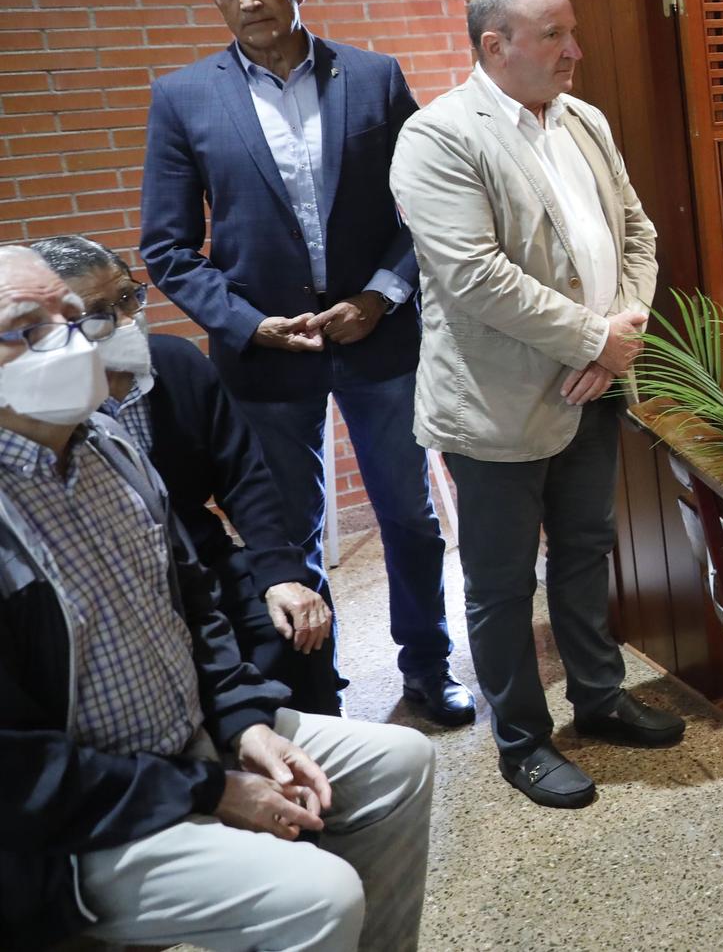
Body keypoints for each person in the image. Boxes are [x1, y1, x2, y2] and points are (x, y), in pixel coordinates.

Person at [0, 246, 435, 951]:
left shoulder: (108, 442)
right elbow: (21, 778)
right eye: (27, 328)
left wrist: (241, 722)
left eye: (75, 318)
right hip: (80, 823)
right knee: (317, 898)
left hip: (192, 741)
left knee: (400, 760)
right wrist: (211, 790)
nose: (76, 341)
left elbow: (192, 598)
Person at [139, 0, 470, 725]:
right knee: (288, 531)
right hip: (266, 355)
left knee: (410, 514)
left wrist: (381, 295)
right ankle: (320, 692)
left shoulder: (373, 76)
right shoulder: (184, 98)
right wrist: (250, 324)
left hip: (379, 338)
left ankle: (427, 665)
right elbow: (169, 247)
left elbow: (426, 207)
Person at [390, 0, 678, 808]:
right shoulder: (437, 136)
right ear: (495, 46)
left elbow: (637, 233)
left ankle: (599, 695)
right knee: (503, 580)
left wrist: (620, 335)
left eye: (571, 30)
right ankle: (522, 739)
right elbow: (474, 276)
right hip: (496, 403)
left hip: (596, 382)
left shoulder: (584, 119)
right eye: (555, 35)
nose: (576, 50)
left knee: (587, 550)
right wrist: (596, 338)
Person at [31, 233, 340, 710]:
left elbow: (244, 476)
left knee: (298, 622)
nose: (128, 319)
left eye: (129, 296)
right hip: (112, 583)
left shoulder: (176, 364)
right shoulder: (39, 408)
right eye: (101, 311)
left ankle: (324, 748)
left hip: (203, 558)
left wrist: (280, 574)